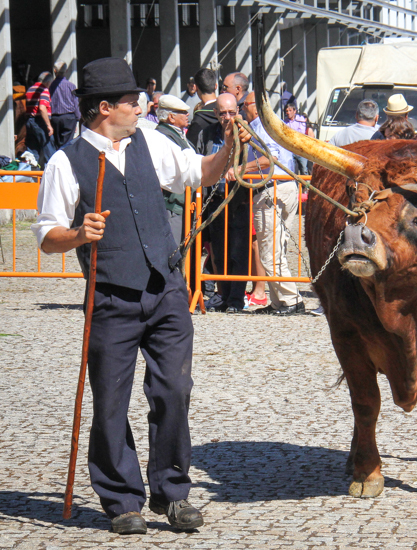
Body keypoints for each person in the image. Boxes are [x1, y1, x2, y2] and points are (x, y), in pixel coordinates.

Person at [30, 56, 242, 534]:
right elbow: (45, 236)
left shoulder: (151, 141)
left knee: (173, 391)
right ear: (105, 107)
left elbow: (201, 173)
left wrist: (229, 148)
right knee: (109, 401)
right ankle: (122, 500)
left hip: (166, 291)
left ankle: (173, 493)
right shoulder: (66, 162)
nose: (140, 107)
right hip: (110, 298)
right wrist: (77, 234)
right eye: (132, 102)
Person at [238, 91, 305, 315]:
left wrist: (241, 169)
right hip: (283, 188)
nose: (241, 109)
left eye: (243, 105)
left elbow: (271, 157)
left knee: (269, 251)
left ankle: (292, 300)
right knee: (276, 250)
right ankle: (279, 302)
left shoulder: (260, 126)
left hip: (272, 190)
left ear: (254, 107)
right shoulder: (272, 124)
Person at [195, 93, 250, 313]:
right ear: (216, 113)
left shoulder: (246, 132)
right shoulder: (207, 133)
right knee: (218, 251)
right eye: (223, 113)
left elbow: (259, 160)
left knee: (238, 251)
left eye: (231, 112)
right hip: (214, 198)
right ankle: (224, 295)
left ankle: (236, 300)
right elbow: (199, 158)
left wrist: (236, 170)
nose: (228, 117)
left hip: (239, 200)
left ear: (238, 111)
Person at [155, 94, 194, 245]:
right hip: (173, 206)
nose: (187, 115)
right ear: (171, 117)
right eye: (183, 112)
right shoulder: (164, 136)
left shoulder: (176, 134)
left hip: (181, 205)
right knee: (173, 252)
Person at [24, 71, 57, 166]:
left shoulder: (30, 89)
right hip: (40, 122)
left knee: (32, 153)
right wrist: (48, 125)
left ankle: (32, 176)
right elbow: (42, 108)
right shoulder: (44, 90)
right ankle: (50, 176)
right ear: (48, 82)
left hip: (30, 121)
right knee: (49, 150)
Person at [49, 61, 81, 149]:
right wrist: (78, 118)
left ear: (55, 71)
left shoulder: (50, 86)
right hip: (69, 117)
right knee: (67, 144)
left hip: (55, 118)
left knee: (56, 143)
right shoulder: (71, 86)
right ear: (66, 71)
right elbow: (76, 103)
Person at [186, 68, 218, 145]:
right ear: (216, 86)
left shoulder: (199, 118)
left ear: (196, 88)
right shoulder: (230, 113)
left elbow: (189, 148)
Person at [283, 101, 314, 175]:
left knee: (304, 169)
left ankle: (306, 185)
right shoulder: (284, 122)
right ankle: (295, 186)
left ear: (294, 111)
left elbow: (301, 133)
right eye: (287, 111)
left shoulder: (300, 119)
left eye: (290, 110)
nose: (288, 113)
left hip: (301, 149)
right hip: (290, 150)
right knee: (293, 170)